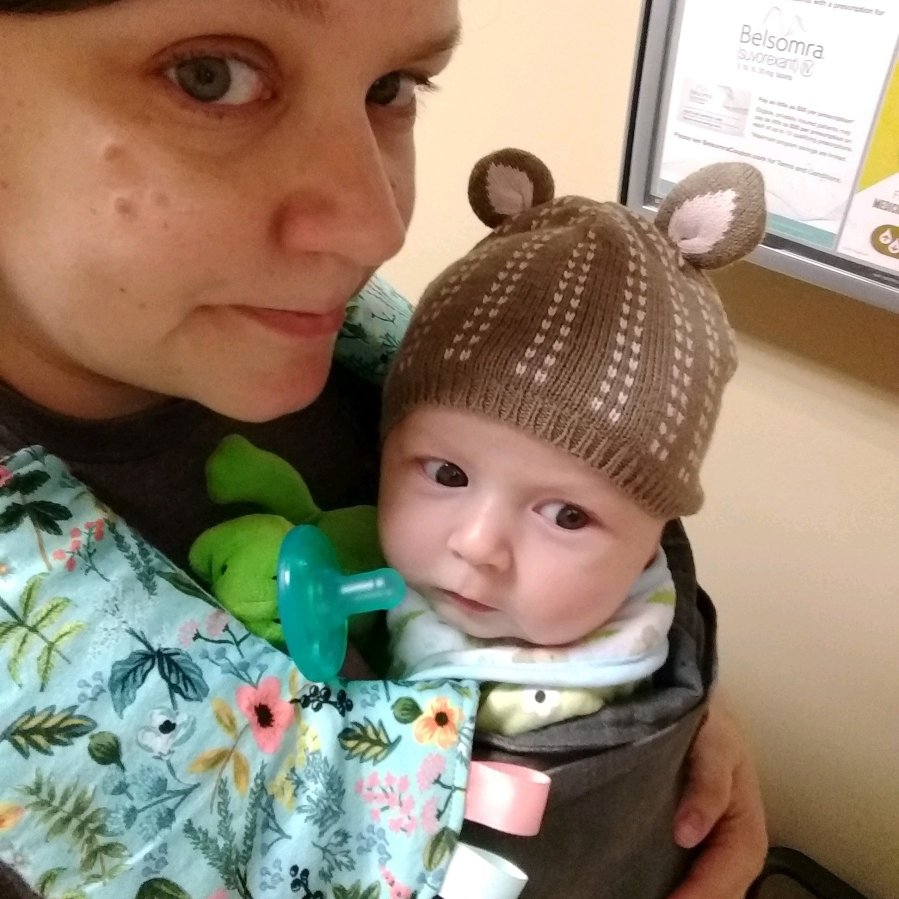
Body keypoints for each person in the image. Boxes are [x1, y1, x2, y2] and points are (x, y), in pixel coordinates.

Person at [0, 2, 766, 897]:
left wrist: (652, 720)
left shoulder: (354, 336)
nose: (378, 226)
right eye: (209, 77)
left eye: (391, 87)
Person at [380, 150, 761, 740]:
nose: (478, 545)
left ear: (652, 544)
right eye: (449, 475)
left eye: (567, 515)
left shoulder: (571, 715)